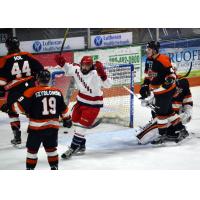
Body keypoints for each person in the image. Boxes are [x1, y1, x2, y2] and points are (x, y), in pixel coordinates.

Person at [55, 55, 112, 159]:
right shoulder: (77, 69)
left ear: (91, 66)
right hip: (80, 102)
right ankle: (81, 145)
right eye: (84, 65)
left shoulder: (95, 74)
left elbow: (108, 85)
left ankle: (72, 148)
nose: (85, 68)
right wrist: (62, 63)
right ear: (80, 64)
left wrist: (103, 74)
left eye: (88, 65)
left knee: (81, 128)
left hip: (93, 105)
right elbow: (68, 69)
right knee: (76, 123)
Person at [11, 69, 70, 170]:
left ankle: (30, 170)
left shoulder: (31, 91)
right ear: (49, 79)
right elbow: (63, 109)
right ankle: (54, 168)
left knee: (32, 151)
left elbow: (19, 108)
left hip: (36, 129)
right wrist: (67, 119)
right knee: (51, 150)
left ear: (37, 79)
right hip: (52, 129)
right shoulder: (57, 92)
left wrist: (9, 107)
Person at [139, 41, 188, 144]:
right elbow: (148, 75)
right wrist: (145, 85)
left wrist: (168, 81)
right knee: (168, 112)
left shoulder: (163, 59)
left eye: (149, 49)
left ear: (155, 50)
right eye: (147, 49)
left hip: (167, 91)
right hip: (158, 91)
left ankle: (162, 135)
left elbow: (172, 75)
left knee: (160, 114)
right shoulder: (148, 60)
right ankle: (182, 129)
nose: (147, 51)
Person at [0, 36, 44, 145]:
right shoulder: (27, 55)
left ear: (7, 47)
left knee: (11, 110)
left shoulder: (4, 60)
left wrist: (1, 90)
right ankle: (36, 132)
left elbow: (1, 80)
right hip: (31, 87)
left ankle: (17, 136)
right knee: (33, 110)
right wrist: (33, 76)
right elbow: (40, 69)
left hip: (16, 90)